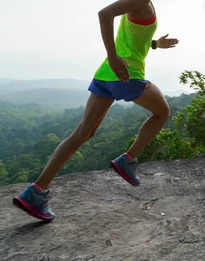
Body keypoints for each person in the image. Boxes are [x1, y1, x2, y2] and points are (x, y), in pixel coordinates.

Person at [12, 0, 179, 221]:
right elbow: (104, 13)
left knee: (83, 133)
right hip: (127, 74)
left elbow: (133, 40)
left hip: (105, 75)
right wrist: (112, 54)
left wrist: (156, 44)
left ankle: (36, 192)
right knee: (163, 113)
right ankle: (127, 160)